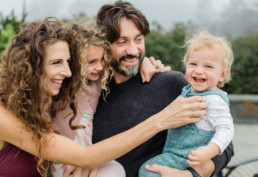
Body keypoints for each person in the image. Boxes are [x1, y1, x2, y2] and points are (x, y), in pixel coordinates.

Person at [0, 18, 206, 177]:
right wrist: (162, 120)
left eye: (68, 62)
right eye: (56, 63)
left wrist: (142, 62)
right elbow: (86, 157)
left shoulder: (36, 103)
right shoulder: (4, 115)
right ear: (29, 67)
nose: (68, 72)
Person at [93, 0, 234, 177]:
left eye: (138, 39)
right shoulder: (91, 94)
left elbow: (226, 145)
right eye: (122, 42)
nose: (133, 50)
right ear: (104, 45)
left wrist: (189, 175)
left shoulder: (171, 83)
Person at [52, 21, 167, 177]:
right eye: (92, 62)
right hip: (65, 160)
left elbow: (124, 64)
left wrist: (145, 62)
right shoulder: (63, 84)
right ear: (75, 61)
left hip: (89, 158)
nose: (99, 67)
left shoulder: (98, 80)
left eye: (102, 60)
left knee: (116, 169)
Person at [139, 31, 234, 177]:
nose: (198, 70)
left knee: (148, 171)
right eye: (193, 64)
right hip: (176, 153)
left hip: (187, 158)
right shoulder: (189, 89)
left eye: (208, 67)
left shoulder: (214, 100)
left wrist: (209, 151)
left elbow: (226, 129)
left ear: (222, 74)